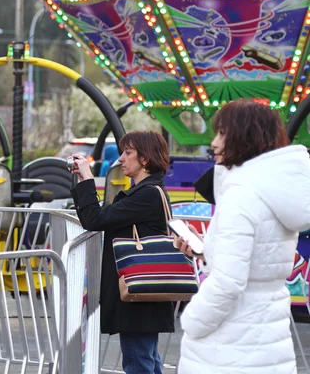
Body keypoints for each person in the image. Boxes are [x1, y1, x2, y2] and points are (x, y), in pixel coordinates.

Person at [175, 100, 310, 374]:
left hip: (228, 346)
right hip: (266, 337)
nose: (213, 143)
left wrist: (192, 320)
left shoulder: (241, 195)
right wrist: (205, 252)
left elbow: (228, 283)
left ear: (243, 136)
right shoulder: (272, 191)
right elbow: (259, 258)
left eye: (222, 133)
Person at [69, 130, 174, 374]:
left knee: (139, 362)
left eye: (128, 153)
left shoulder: (146, 194)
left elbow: (94, 219)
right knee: (147, 358)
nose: (121, 159)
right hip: (145, 288)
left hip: (139, 290)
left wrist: (86, 178)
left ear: (145, 159)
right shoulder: (149, 191)